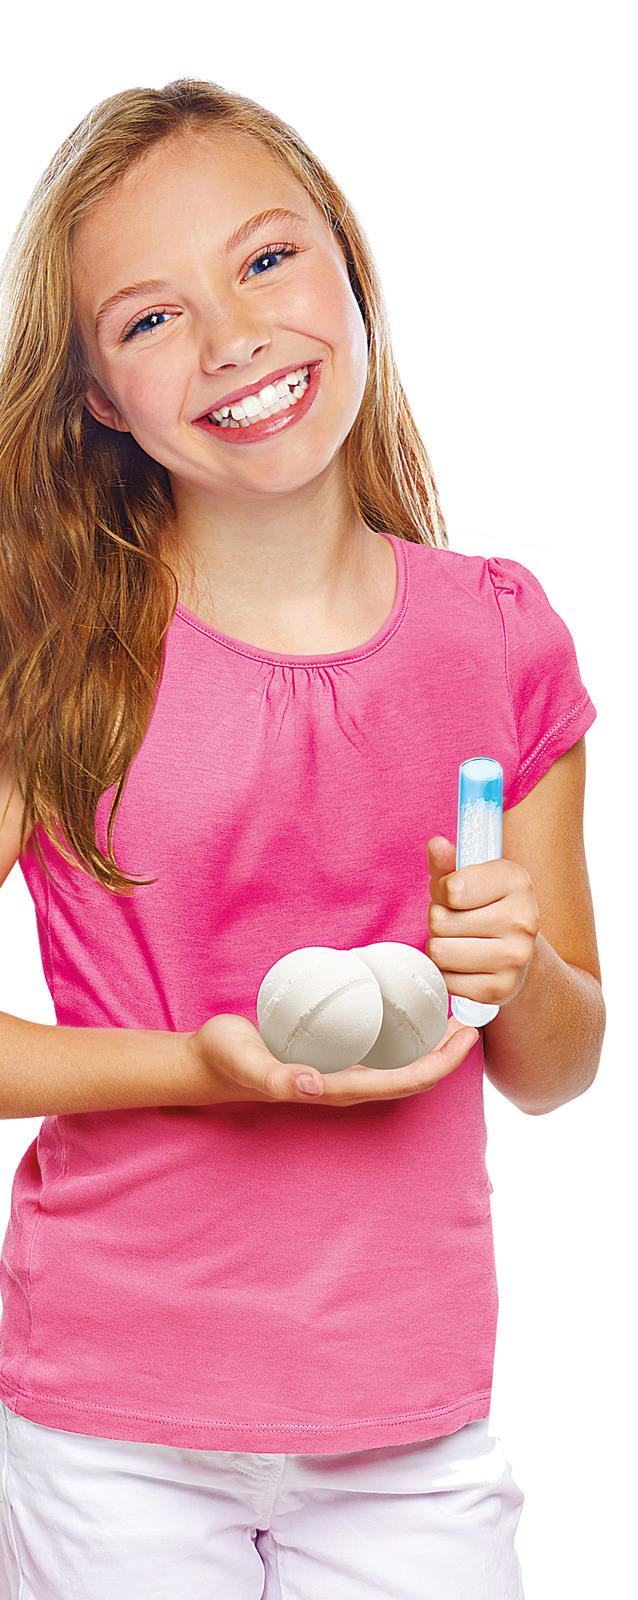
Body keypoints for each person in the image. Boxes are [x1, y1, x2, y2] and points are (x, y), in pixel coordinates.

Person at [0, 78, 604, 1600]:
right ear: (93, 397)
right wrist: (193, 1062)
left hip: (410, 1425)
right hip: (110, 1416)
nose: (230, 338)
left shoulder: (500, 637)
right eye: (148, 319)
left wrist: (511, 961)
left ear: (346, 264)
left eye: (264, 261)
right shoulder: (54, 658)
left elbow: (557, 1064)